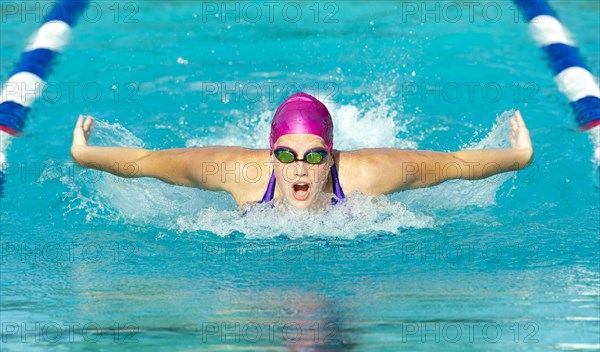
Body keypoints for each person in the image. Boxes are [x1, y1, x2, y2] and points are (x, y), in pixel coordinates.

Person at [70, 92, 533, 209]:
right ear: (271, 155)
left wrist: (519, 156)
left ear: (331, 157)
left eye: (314, 156)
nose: (300, 168)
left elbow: (453, 165)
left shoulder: (368, 175)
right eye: (287, 155)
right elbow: (151, 162)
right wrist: (84, 154)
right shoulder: (239, 173)